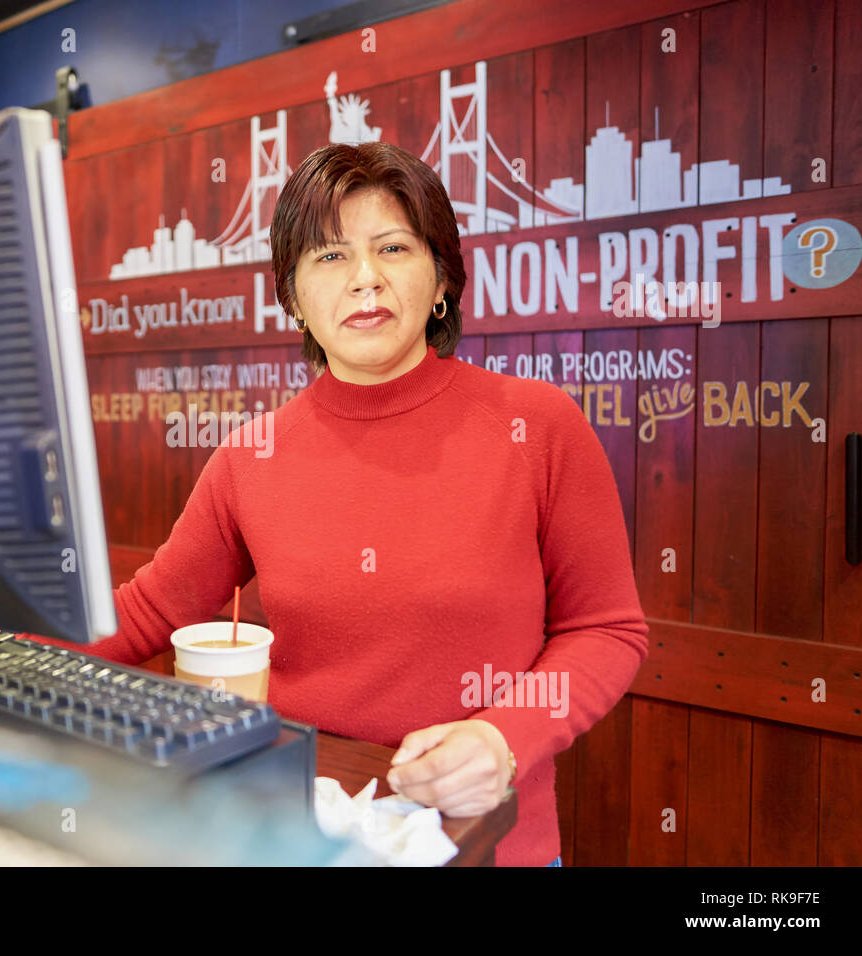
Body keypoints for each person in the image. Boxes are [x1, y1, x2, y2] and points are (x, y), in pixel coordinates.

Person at [32, 142, 648, 866]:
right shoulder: (250, 455)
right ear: (291, 297)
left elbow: (606, 630)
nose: (365, 278)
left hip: (480, 839)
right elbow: (152, 613)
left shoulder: (538, 426)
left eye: (393, 247)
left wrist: (503, 738)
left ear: (442, 278)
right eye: (328, 256)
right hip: (295, 835)